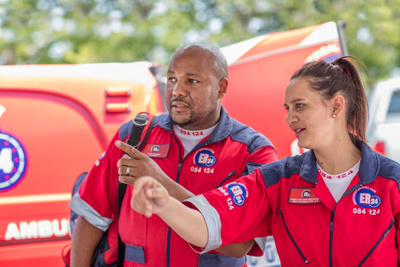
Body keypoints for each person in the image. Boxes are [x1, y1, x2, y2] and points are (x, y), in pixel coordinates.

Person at [130, 56, 400, 266]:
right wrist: (163, 204)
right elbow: (208, 224)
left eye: (300, 106)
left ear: (336, 106)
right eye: (288, 108)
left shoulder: (392, 183)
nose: (289, 118)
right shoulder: (276, 181)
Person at [69, 42, 278, 267]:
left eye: (191, 80)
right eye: (171, 79)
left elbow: (240, 245)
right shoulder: (134, 137)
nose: (177, 90)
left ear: (221, 88)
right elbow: (91, 218)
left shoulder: (254, 152)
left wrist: (163, 184)